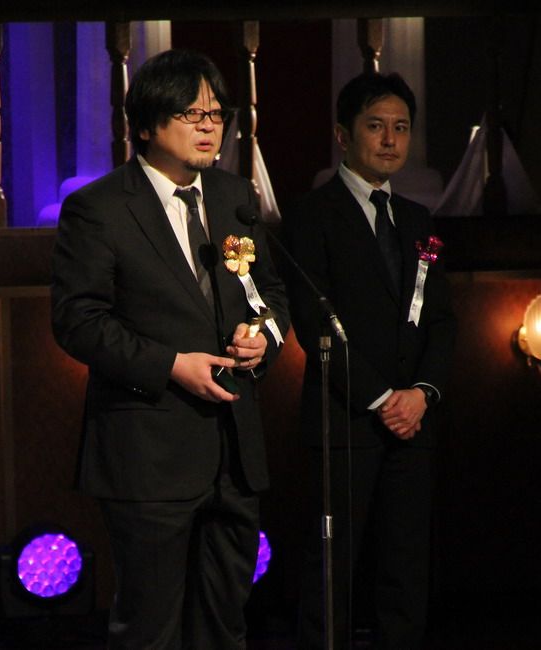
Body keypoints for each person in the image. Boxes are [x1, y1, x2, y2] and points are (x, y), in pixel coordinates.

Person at [51, 49, 289, 650]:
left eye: (217, 113)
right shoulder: (100, 207)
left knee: (225, 624)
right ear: (148, 124)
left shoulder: (237, 196)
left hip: (234, 453)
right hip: (148, 453)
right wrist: (170, 366)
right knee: (150, 627)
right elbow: (77, 320)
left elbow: (273, 297)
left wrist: (262, 336)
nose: (211, 126)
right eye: (192, 113)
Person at [284, 72, 456, 649]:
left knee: (405, 571)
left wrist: (422, 393)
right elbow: (313, 324)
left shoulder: (417, 220)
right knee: (332, 569)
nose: (390, 141)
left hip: (415, 422)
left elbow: (439, 320)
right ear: (343, 134)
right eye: (376, 126)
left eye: (401, 128)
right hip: (347, 421)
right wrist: (383, 398)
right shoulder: (311, 215)